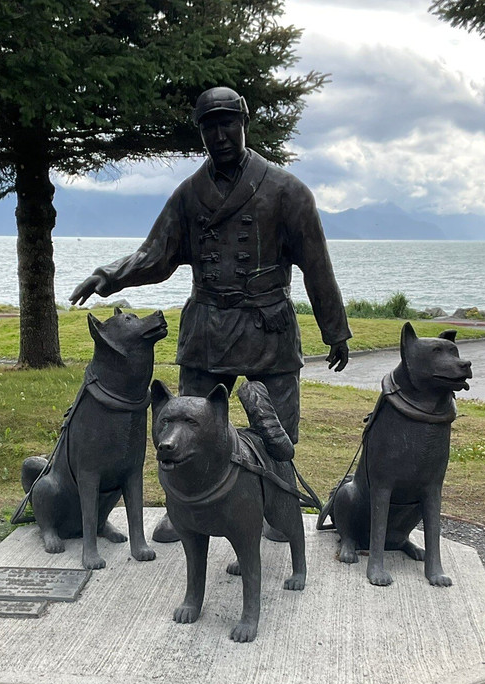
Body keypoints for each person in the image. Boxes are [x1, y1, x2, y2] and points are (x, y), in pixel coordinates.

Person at [70, 86, 350, 540]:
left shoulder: (287, 191)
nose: (219, 136)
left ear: (244, 124)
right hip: (207, 327)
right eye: (209, 127)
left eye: (227, 124)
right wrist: (109, 275)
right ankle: (185, 510)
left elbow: (317, 266)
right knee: (188, 427)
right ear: (200, 133)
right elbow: (155, 254)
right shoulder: (189, 195)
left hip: (267, 325)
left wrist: (335, 330)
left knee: (278, 428)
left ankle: (275, 507)